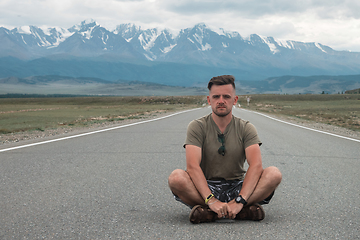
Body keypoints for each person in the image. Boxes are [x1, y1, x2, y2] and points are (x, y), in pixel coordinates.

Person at [168, 75, 282, 224]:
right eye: (216, 96)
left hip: (238, 187)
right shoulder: (197, 127)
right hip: (206, 187)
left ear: (235, 100)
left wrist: (240, 199)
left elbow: (256, 166)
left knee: (274, 174)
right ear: (209, 100)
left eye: (226, 97)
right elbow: (192, 166)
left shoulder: (246, 127)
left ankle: (216, 213)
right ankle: (230, 211)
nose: (221, 101)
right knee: (176, 178)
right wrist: (211, 200)